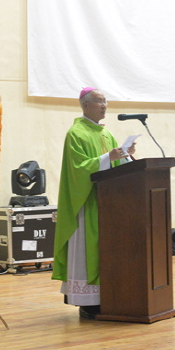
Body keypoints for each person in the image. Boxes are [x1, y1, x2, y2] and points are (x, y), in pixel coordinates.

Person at [52, 87, 135, 319]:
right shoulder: (76, 133)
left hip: (107, 203)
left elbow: (116, 166)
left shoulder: (106, 134)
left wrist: (125, 155)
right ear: (85, 104)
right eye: (99, 101)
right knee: (87, 250)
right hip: (86, 202)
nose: (104, 105)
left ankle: (107, 296)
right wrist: (109, 157)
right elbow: (78, 169)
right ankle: (86, 302)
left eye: (105, 101)